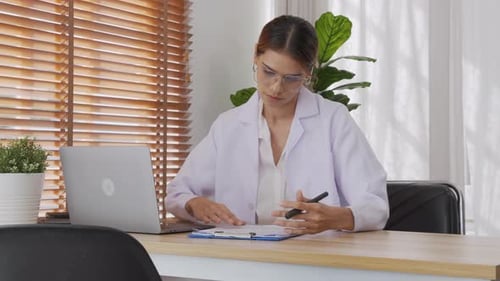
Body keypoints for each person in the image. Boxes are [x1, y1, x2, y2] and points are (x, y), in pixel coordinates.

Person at [166, 15, 389, 234]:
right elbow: (177, 193)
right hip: (239, 257)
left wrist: (336, 217)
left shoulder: (334, 120)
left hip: (315, 259)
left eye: (291, 78)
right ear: (255, 55)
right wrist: (194, 203)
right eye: (268, 72)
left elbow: (375, 205)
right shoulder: (228, 126)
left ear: (309, 73)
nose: (276, 88)